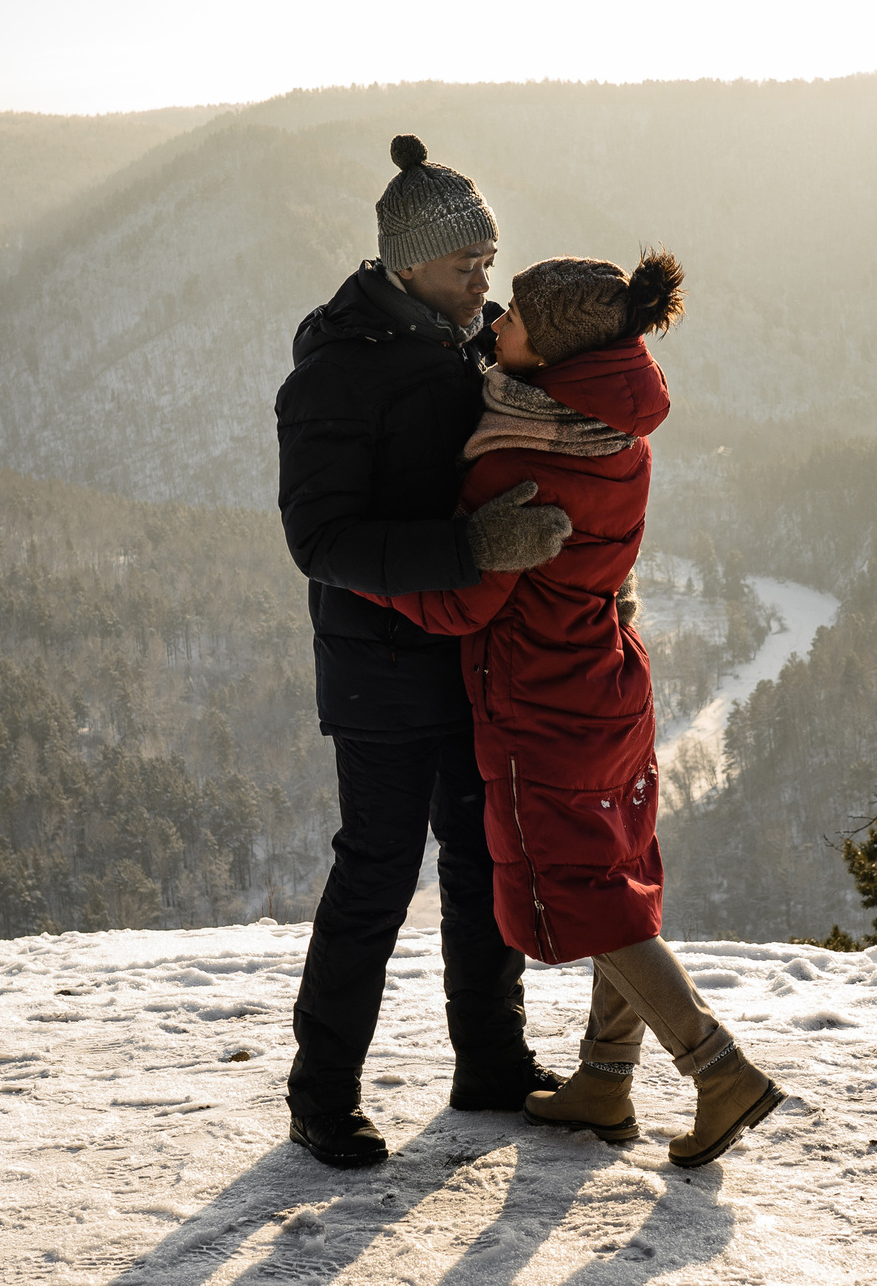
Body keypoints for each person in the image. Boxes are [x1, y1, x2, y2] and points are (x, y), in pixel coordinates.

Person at [368, 250, 788, 1170]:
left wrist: (387, 581)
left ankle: (718, 1069)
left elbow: (468, 600)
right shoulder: (616, 431)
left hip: (538, 698)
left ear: (554, 352)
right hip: (609, 675)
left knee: (587, 895)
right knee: (615, 871)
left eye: (513, 316)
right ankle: (605, 1079)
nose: (496, 326)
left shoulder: (518, 455)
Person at [274, 135, 570, 1168]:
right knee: (377, 873)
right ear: (405, 262)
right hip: (378, 668)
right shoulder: (335, 374)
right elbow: (319, 538)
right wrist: (467, 549)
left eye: (489, 258)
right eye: (464, 263)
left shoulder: (468, 339)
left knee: (484, 862)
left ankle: (489, 1061)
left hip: (469, 655)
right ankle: (322, 1098)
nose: (484, 278)